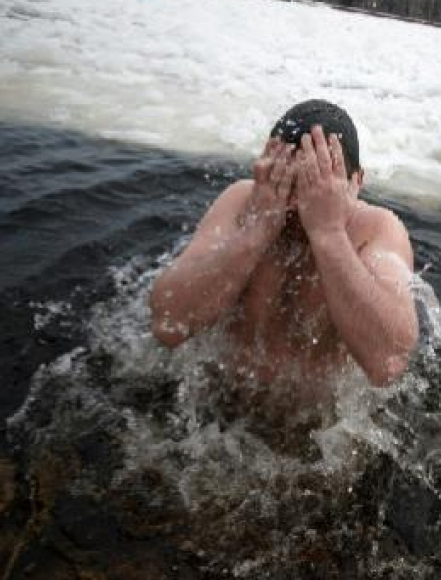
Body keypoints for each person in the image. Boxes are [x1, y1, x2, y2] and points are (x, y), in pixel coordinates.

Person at [150, 100, 419, 392]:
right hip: (217, 409)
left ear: (357, 181)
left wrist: (328, 233)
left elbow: (389, 363)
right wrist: (257, 230)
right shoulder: (246, 203)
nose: (302, 205)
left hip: (321, 429)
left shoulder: (376, 229)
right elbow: (167, 323)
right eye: (288, 183)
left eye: (320, 186)